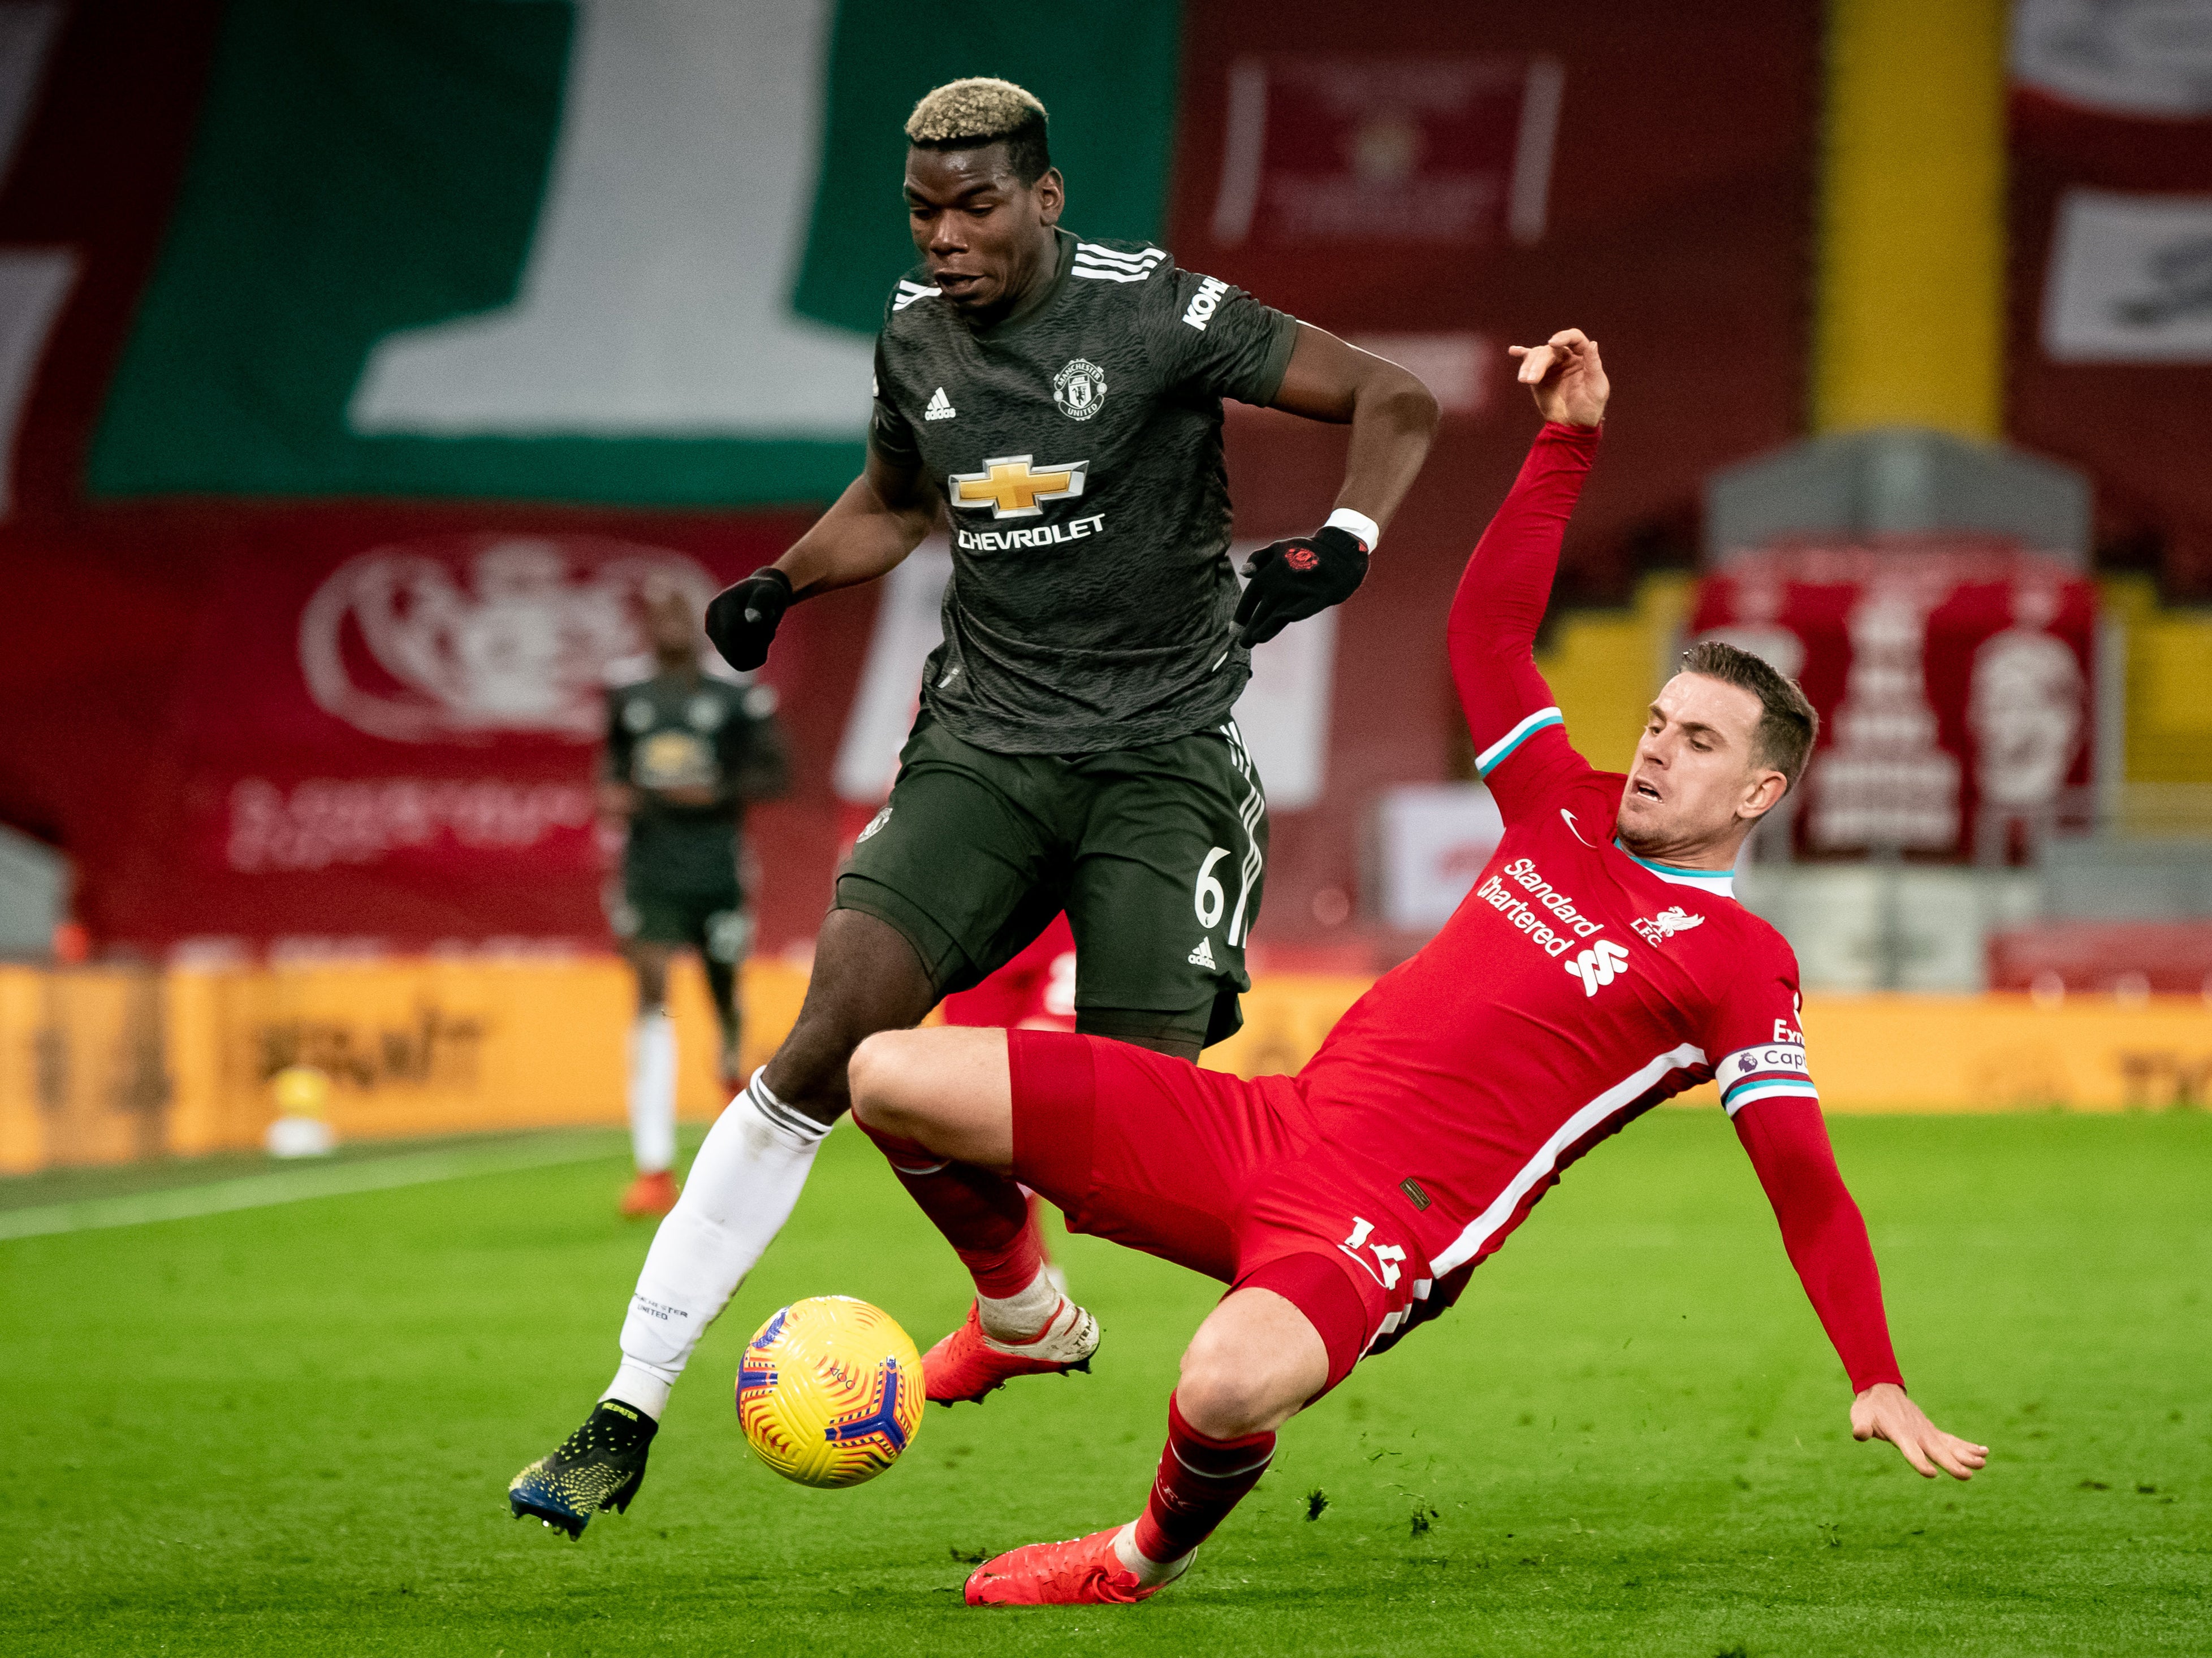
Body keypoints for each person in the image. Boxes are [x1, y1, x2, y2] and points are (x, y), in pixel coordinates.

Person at [845, 329, 1989, 1607]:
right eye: (1658, 721)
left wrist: (1870, 1368)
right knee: (885, 1072)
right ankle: (1020, 1314)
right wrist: (1564, 444)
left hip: (1376, 1228)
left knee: (1220, 1382)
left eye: (1698, 741)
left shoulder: (1737, 962)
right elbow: (1487, 636)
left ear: (1759, 789)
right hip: (1260, 1123)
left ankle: (1129, 1562)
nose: (1658, 749)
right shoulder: (1564, 802)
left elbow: (1803, 1181)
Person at [508, 76, 1438, 1535]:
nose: (947, 236)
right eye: (926, 210)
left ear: (1047, 199)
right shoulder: (915, 333)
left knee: (1132, 1154)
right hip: (983, 746)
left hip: (1162, 757)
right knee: (835, 1037)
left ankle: (1333, 1260)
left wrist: (1345, 538)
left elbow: (1398, 393)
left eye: (978, 206)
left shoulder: (1161, 315)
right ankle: (631, 1398)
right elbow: (896, 497)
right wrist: (785, 576)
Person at [599, 587, 789, 1218]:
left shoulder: (736, 695)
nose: (670, 624)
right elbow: (610, 770)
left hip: (718, 868)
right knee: (650, 992)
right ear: (646, 625)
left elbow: (778, 773)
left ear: (699, 621)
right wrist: (613, 794)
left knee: (724, 998)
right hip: (650, 869)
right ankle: (653, 1168)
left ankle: (737, 1105)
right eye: (657, 614)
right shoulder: (627, 696)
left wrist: (710, 793)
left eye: (680, 612)